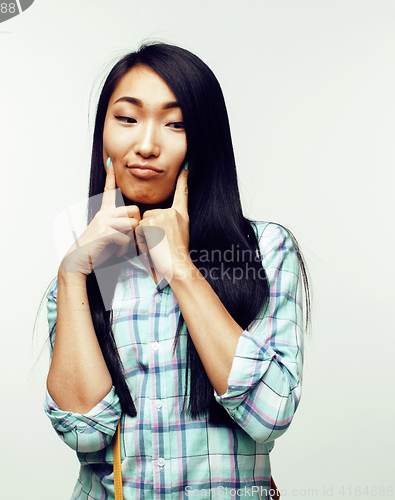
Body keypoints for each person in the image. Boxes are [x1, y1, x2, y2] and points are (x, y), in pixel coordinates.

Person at [43, 42, 310, 500]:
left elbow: (271, 414)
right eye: (126, 119)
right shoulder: (79, 277)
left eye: (176, 124)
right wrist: (71, 275)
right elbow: (85, 433)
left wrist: (182, 269)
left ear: (204, 140)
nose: (146, 145)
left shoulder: (264, 249)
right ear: (102, 133)